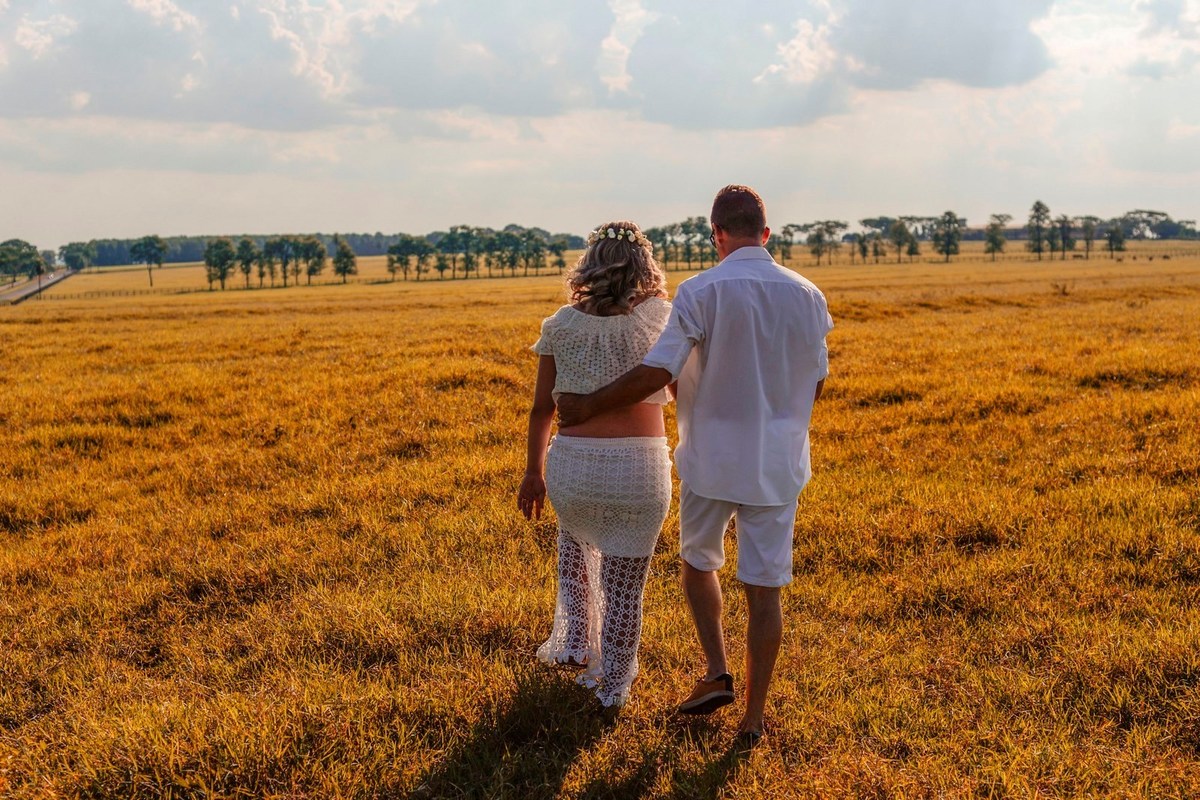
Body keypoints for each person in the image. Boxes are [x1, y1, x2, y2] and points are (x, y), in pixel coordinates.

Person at [557, 185, 833, 743]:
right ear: (767, 233)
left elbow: (659, 372)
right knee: (765, 589)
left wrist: (588, 404)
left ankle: (716, 671)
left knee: (698, 561)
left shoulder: (701, 290)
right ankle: (753, 719)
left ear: (717, 235)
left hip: (709, 459)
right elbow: (818, 379)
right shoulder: (808, 295)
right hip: (778, 466)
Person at [517, 220, 674, 708]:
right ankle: (613, 685)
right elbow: (676, 387)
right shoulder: (659, 320)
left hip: (573, 469)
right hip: (639, 472)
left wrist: (533, 473)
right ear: (644, 269)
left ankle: (577, 645)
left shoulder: (561, 324)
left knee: (575, 544)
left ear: (590, 266)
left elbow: (543, 407)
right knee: (625, 585)